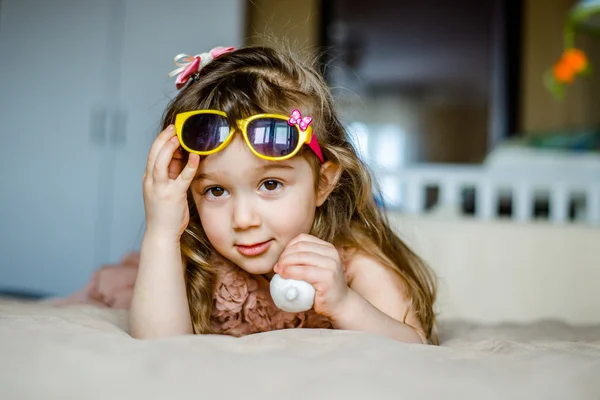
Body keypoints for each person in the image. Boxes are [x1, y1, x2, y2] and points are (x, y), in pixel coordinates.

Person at [124, 45, 437, 344]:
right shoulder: (196, 259)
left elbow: (411, 347)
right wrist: (162, 231)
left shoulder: (354, 262)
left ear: (322, 183)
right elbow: (158, 349)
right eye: (216, 190)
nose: (243, 219)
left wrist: (344, 303)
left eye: (270, 184)